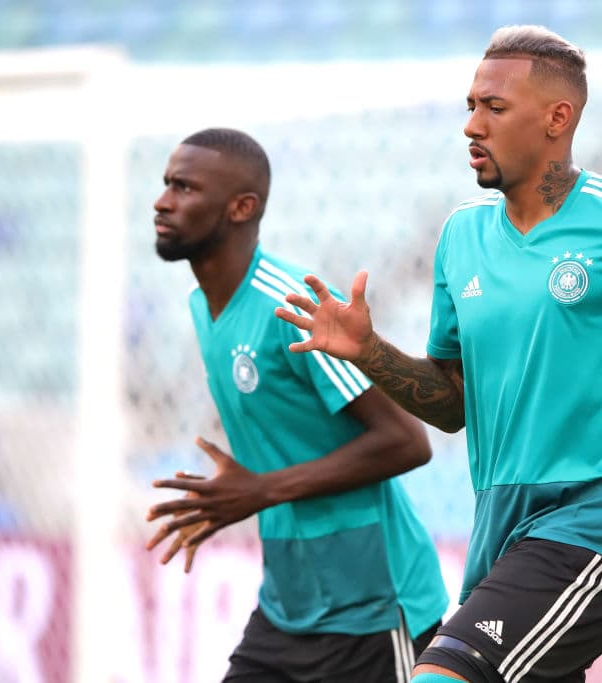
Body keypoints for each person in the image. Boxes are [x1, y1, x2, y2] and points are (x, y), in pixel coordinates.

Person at [275, 25, 602, 683]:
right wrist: (369, 350)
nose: (472, 125)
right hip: (502, 534)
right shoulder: (461, 237)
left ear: (558, 118)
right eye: (470, 106)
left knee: (442, 675)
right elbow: (452, 402)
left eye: (493, 108)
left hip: (598, 523)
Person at [144, 128, 450, 682]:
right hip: (289, 607)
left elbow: (406, 441)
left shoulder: (288, 306)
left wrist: (258, 490)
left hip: (375, 607)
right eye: (167, 184)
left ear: (242, 207)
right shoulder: (202, 307)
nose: (163, 201)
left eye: (185, 188)